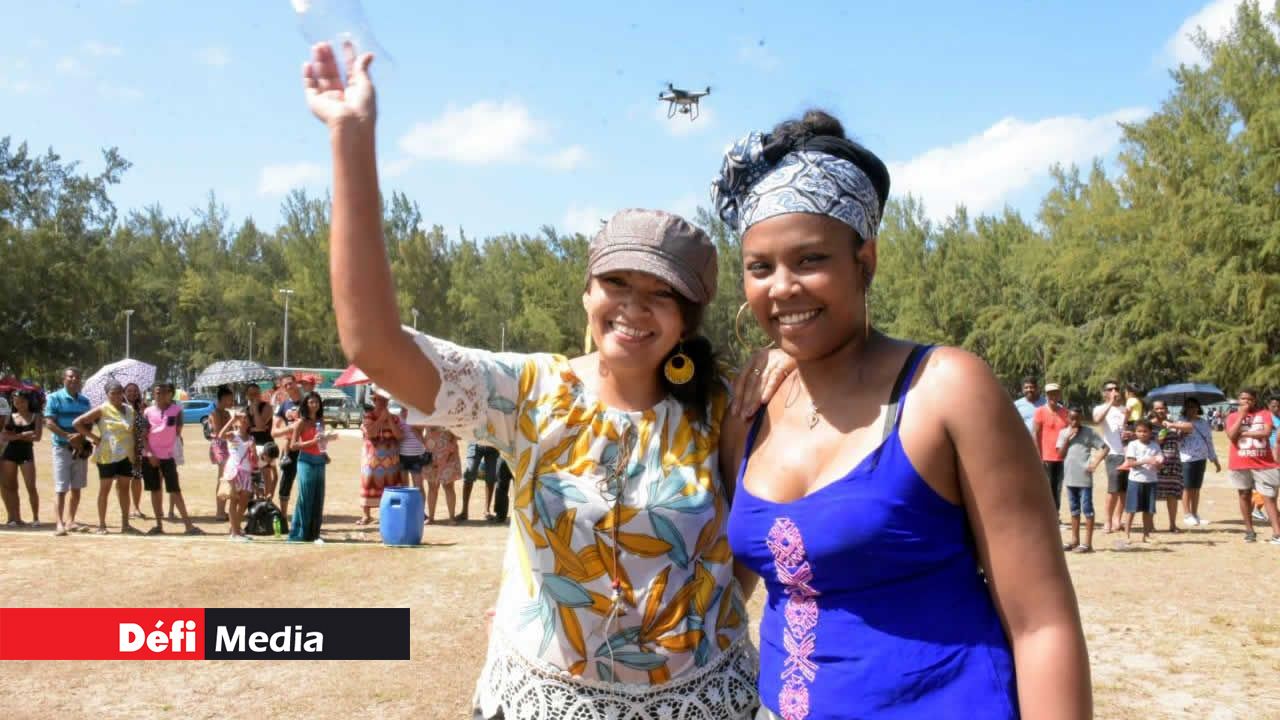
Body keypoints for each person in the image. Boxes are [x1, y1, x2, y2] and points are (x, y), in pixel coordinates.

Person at [303, 43, 793, 716]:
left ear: (689, 319)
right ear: (586, 292)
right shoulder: (529, 391)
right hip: (541, 701)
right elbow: (375, 347)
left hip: (704, 702)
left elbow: (747, 541)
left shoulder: (723, 407)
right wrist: (350, 137)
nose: (632, 306)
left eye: (661, 294)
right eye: (615, 282)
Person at [714, 110, 1089, 718]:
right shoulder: (748, 409)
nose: (782, 287)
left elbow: (1043, 625)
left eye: (810, 260)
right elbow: (719, 581)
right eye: (761, 267)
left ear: (866, 258)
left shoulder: (945, 391)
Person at [73, 380, 139, 535]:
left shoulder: (130, 410)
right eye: (112, 393)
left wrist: (136, 452)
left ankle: (126, 524)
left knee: (124, 489)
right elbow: (77, 423)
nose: (116, 396)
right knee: (105, 489)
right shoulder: (102, 409)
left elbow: (134, 432)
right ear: (107, 394)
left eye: (118, 392)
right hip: (107, 455)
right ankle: (102, 525)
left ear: (123, 393)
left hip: (127, 455)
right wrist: (95, 438)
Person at [142, 383, 199, 535]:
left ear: (170, 394)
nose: (160, 395)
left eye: (164, 392)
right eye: (157, 392)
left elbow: (177, 432)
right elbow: (143, 436)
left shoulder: (177, 411)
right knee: (155, 490)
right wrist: (150, 454)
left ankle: (189, 525)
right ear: (153, 394)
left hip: (168, 456)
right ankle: (159, 525)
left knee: (175, 490)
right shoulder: (147, 412)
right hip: (151, 457)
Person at [1224, 388, 1280, 543]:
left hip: (1264, 463)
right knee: (1244, 495)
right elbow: (1231, 435)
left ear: (1255, 400)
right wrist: (1242, 416)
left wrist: (1244, 433)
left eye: (1249, 399)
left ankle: (1277, 533)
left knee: (1269, 497)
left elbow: (1266, 433)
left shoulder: (1264, 414)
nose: (1246, 402)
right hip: (1240, 462)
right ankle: (1249, 530)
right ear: (1238, 400)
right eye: (1243, 399)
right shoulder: (1233, 416)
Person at [45, 367, 92, 535]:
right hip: (61, 448)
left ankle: (71, 521)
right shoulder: (54, 398)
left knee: (77, 487)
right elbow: (49, 422)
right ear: (63, 379)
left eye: (77, 377)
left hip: (80, 449)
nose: (74, 379)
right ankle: (59, 524)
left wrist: (80, 437)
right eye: (71, 377)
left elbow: (89, 423)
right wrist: (67, 436)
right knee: (61, 488)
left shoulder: (86, 401)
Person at [1163, 398, 1219, 527]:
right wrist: (1175, 426)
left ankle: (1195, 513)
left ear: (1198, 408)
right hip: (1186, 458)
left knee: (1196, 488)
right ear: (1185, 409)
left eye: (1194, 407)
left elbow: (1209, 440)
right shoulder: (1180, 422)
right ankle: (1187, 514)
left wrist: (1214, 458)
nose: (1191, 409)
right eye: (1188, 407)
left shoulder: (1204, 423)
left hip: (1201, 458)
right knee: (1187, 488)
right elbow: (1185, 430)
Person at [1057, 407, 1107, 553]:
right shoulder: (1063, 433)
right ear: (1067, 418)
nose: (1074, 421)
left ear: (1081, 418)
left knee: (1087, 510)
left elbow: (1105, 448)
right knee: (1074, 510)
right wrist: (1068, 439)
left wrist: (1095, 462)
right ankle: (1074, 540)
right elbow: (1060, 454)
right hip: (1070, 477)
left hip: (1084, 478)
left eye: (1077, 418)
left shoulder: (1089, 432)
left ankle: (1087, 543)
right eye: (1071, 418)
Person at [288, 391, 333, 543]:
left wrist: (325, 451)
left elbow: (321, 442)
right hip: (305, 461)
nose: (314, 405)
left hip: (320, 460)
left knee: (318, 497)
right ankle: (299, 533)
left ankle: (314, 534)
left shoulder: (321, 421)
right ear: (306, 404)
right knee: (305, 496)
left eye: (317, 402)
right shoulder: (301, 422)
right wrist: (311, 442)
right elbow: (293, 445)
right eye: (311, 402)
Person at [358, 391, 402, 524]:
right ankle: (366, 515)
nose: (382, 403)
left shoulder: (394, 418)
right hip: (372, 459)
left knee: (390, 485)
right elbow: (371, 433)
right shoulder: (368, 416)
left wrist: (388, 420)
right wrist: (382, 420)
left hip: (390, 460)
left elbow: (399, 435)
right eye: (378, 400)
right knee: (369, 483)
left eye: (384, 400)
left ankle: (388, 514)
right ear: (374, 401)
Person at [1, 390, 43, 527]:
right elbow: (4, 437)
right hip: (9, 454)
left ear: (28, 401)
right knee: (12, 487)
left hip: (26, 454)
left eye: (22, 401)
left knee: (31, 486)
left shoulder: (36, 416)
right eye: (16, 401)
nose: (19, 404)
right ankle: (15, 518)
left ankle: (36, 518)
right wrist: (23, 435)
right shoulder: (10, 417)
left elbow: (37, 437)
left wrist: (16, 436)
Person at [1093, 380, 1130, 533]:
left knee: (1124, 491)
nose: (1115, 391)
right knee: (1113, 489)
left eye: (1117, 388)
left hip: (1127, 453)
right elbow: (1097, 420)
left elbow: (1129, 430)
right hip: (1112, 454)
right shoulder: (1100, 408)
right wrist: (1110, 403)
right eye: (1110, 389)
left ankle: (1117, 520)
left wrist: (1128, 424)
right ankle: (1107, 521)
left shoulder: (1125, 409)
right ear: (1105, 393)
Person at [1118, 419, 1162, 545]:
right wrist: (1147, 461)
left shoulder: (1155, 445)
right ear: (1135, 432)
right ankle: (1127, 534)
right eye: (1139, 431)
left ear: (1150, 432)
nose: (1142, 434)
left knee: (1149, 510)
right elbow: (1131, 463)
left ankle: (1146, 535)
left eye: (1145, 431)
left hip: (1151, 481)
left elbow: (1159, 463)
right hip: (1136, 481)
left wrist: (1158, 463)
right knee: (1131, 509)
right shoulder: (1133, 445)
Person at [1032, 382, 1070, 519]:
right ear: (1046, 395)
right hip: (1045, 456)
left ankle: (1056, 515)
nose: (1053, 396)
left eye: (1056, 393)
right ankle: (1046, 515)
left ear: (1059, 394)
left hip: (1061, 457)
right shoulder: (1040, 412)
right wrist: (1038, 455)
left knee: (1058, 487)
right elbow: (1035, 434)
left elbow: (1070, 433)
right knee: (1046, 487)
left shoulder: (1065, 413)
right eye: (1050, 393)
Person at [218, 409, 257, 541]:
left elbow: (255, 460)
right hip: (234, 471)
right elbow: (220, 435)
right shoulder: (232, 435)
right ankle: (234, 533)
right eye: (242, 418)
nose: (244, 420)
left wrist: (253, 451)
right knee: (234, 500)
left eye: (246, 418)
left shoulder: (251, 438)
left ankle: (236, 528)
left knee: (244, 501)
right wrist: (231, 419)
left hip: (246, 472)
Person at [1149, 400, 1185, 533]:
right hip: (1156, 465)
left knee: (1173, 495)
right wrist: (1157, 440)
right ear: (1153, 410)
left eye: (1162, 408)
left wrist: (1171, 425)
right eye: (1157, 409)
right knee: (1152, 494)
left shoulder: (1173, 424)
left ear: (1166, 409)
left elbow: (1189, 428)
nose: (1160, 411)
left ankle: (1172, 524)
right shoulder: (1149, 425)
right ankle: (1150, 525)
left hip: (1173, 464)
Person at [272, 374, 305, 519]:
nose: (288, 387)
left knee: (306, 482)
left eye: (290, 383)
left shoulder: (308, 402)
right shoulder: (284, 405)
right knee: (286, 481)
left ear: (296, 383)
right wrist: (289, 430)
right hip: (290, 450)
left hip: (307, 447)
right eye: (285, 385)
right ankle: (284, 515)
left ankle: (305, 514)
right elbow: (274, 431)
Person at [420, 425, 460, 524]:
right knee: (432, 486)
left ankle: (451, 518)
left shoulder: (450, 412)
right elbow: (418, 427)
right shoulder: (426, 412)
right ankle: (431, 518)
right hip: (430, 452)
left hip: (449, 452)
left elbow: (459, 429)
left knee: (448, 486)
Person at [245, 384, 279, 500]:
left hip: (265, 445)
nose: (254, 396)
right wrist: (253, 428)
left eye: (256, 393)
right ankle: (253, 500)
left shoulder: (267, 407)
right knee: (251, 474)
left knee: (266, 474)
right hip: (252, 445)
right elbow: (246, 429)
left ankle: (267, 500)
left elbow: (260, 425)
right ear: (246, 395)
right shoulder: (245, 410)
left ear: (260, 394)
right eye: (251, 394)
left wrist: (255, 408)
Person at [208, 385, 234, 521]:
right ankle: (219, 511)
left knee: (228, 478)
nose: (232, 401)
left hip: (229, 446)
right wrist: (232, 421)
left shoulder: (227, 413)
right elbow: (219, 434)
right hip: (220, 447)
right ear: (223, 398)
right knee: (222, 477)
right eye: (230, 398)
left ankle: (223, 510)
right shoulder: (215, 413)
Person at [123, 383, 148, 520]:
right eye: (129, 391)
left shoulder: (142, 407)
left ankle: (136, 508)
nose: (132, 393)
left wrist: (144, 413)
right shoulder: (120, 408)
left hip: (139, 447)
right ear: (124, 392)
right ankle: (125, 509)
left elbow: (146, 426)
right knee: (123, 479)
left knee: (137, 478)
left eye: (135, 391)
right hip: (124, 448)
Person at [459, 442, 500, 521]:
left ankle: (487, 510)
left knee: (491, 476)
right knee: (469, 473)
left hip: (493, 444)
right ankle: (464, 511)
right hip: (475, 442)